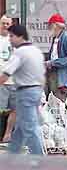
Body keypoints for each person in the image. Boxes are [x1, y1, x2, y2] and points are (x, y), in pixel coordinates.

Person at [0, 25, 45, 154]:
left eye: (12, 36)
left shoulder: (20, 52)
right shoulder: (36, 50)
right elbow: (42, 75)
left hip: (25, 92)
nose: (10, 39)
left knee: (30, 128)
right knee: (19, 128)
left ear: (20, 36)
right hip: (36, 90)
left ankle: (40, 159)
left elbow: (6, 74)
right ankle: (12, 156)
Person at [46, 13, 67, 102]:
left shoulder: (66, 38)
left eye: (50, 25)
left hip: (61, 80)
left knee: (58, 107)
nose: (49, 28)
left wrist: (52, 63)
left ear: (56, 25)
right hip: (53, 76)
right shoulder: (55, 38)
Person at [0, 15, 16, 142]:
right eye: (3, 23)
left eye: (7, 24)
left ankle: (7, 134)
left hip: (15, 81)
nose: (5, 26)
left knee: (15, 109)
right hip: (1, 81)